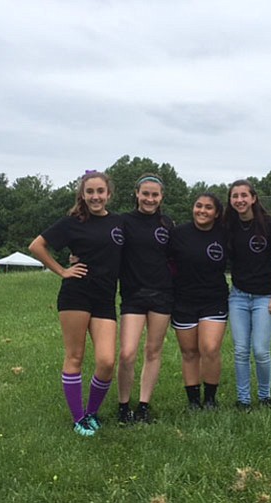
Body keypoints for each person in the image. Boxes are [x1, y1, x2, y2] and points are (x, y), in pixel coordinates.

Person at [29, 171, 124, 437]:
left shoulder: (119, 223)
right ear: (82, 194)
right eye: (90, 192)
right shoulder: (72, 223)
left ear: (109, 194)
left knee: (106, 361)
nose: (95, 197)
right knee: (75, 356)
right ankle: (78, 418)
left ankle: (92, 412)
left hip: (105, 297)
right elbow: (36, 246)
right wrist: (62, 270)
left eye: (100, 191)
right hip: (76, 295)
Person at [116, 173, 174, 425]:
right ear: (137, 194)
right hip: (133, 294)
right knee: (127, 353)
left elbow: (178, 258)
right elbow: (102, 245)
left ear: (161, 197)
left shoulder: (167, 224)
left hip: (162, 294)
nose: (150, 199)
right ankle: (123, 405)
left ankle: (143, 405)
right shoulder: (122, 222)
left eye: (155, 195)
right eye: (145, 194)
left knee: (153, 350)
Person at [224, 180, 271, 411]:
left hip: (264, 297)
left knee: (260, 350)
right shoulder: (228, 225)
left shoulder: (269, 225)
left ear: (253, 198)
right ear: (230, 201)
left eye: (244, 195)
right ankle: (243, 400)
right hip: (238, 296)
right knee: (240, 350)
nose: (239, 200)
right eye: (234, 196)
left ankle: (264, 395)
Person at [170, 193, 228, 410]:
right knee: (189, 352)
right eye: (198, 206)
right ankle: (193, 401)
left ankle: (211, 399)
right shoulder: (177, 234)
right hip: (183, 300)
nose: (202, 211)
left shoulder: (224, 234)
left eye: (208, 208)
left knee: (210, 348)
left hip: (214, 299)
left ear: (216, 213)